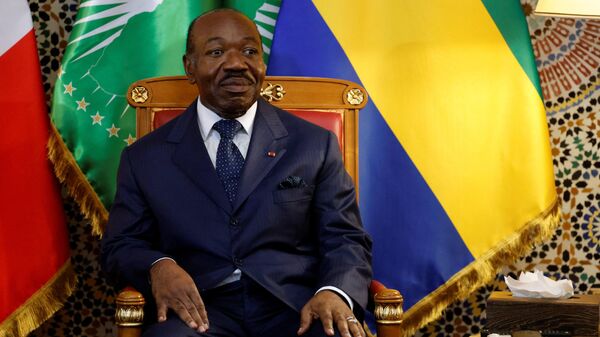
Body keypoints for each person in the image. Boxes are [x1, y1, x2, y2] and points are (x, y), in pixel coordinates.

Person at [101, 8, 372, 337]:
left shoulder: (313, 144)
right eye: (216, 52)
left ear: (261, 64)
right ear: (190, 68)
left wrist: (333, 291)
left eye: (249, 52)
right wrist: (158, 266)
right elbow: (120, 247)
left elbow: (345, 238)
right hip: (199, 309)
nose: (235, 64)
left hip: (295, 307)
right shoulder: (144, 158)